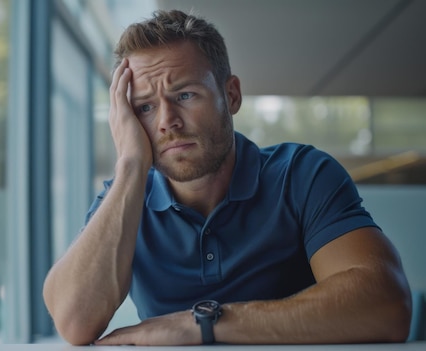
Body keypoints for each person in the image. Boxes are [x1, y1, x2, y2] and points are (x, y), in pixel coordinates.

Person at [42, 9, 412, 346]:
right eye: (145, 108)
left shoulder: (302, 174)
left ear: (231, 95)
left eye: (185, 94)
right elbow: (75, 323)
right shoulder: (123, 199)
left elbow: (386, 302)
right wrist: (130, 165)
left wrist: (200, 325)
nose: (166, 120)